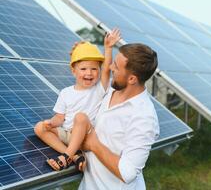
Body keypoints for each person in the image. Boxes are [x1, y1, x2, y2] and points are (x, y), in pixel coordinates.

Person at [34, 29, 121, 171]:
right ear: (73, 71)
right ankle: (74, 156)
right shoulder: (65, 93)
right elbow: (59, 117)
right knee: (39, 127)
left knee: (80, 117)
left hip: (85, 137)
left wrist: (108, 47)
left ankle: (66, 157)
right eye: (83, 69)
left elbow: (106, 69)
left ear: (98, 72)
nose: (89, 73)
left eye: (94, 69)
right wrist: (51, 123)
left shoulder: (99, 89)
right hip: (67, 134)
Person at [76, 43, 160, 189]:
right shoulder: (110, 90)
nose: (110, 67)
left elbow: (128, 173)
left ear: (132, 79)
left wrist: (93, 144)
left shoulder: (144, 118)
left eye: (116, 66)